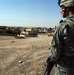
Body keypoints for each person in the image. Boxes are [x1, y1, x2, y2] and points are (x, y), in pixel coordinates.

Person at [46, 0, 74, 75]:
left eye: (62, 8)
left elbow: (55, 54)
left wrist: (50, 62)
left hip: (65, 70)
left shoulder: (63, 26)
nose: (60, 11)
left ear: (68, 8)